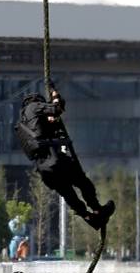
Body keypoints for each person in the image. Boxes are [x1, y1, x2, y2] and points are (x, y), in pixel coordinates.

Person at [15, 87, 115, 231]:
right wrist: (55, 95)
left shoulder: (23, 123)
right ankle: (97, 209)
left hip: (44, 169)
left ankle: (89, 218)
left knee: (68, 193)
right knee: (82, 181)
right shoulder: (34, 106)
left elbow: (47, 125)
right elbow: (57, 108)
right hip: (56, 160)